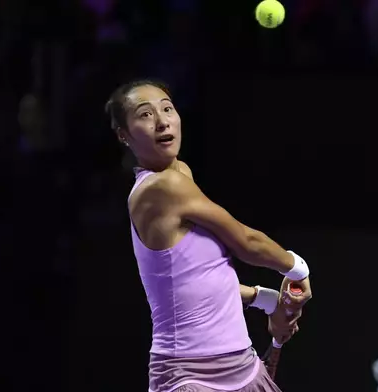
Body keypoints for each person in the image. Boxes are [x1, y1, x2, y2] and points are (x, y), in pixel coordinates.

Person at [105, 79, 312, 392]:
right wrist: (297, 268)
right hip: (190, 377)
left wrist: (266, 300)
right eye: (145, 115)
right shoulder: (161, 189)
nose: (162, 121)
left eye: (167, 109)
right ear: (123, 134)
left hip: (242, 367)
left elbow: (196, 279)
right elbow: (246, 242)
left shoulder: (180, 174)